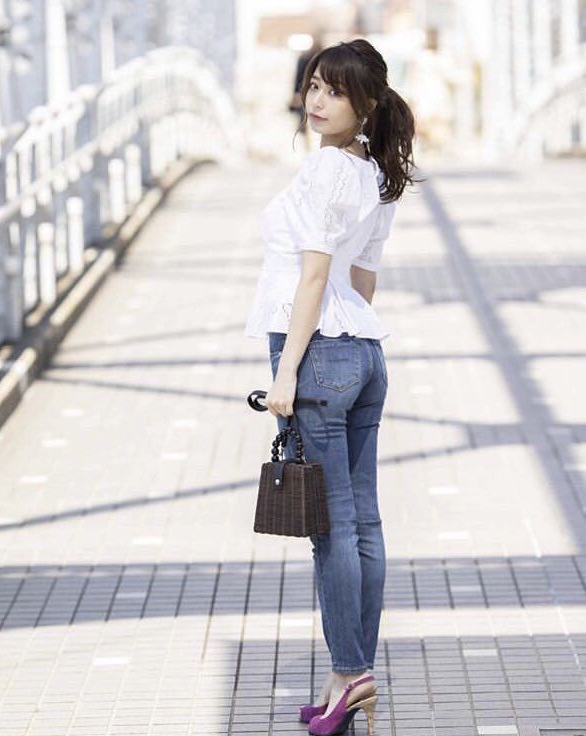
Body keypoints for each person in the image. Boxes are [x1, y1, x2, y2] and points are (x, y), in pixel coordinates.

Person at [244, 39, 419, 736]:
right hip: (365, 352)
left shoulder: (323, 168)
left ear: (365, 104)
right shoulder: (376, 172)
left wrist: (287, 371)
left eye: (334, 91)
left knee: (332, 528)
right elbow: (362, 277)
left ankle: (351, 670)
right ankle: (348, 676)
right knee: (362, 522)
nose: (317, 100)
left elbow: (315, 276)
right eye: (314, 85)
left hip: (317, 354)